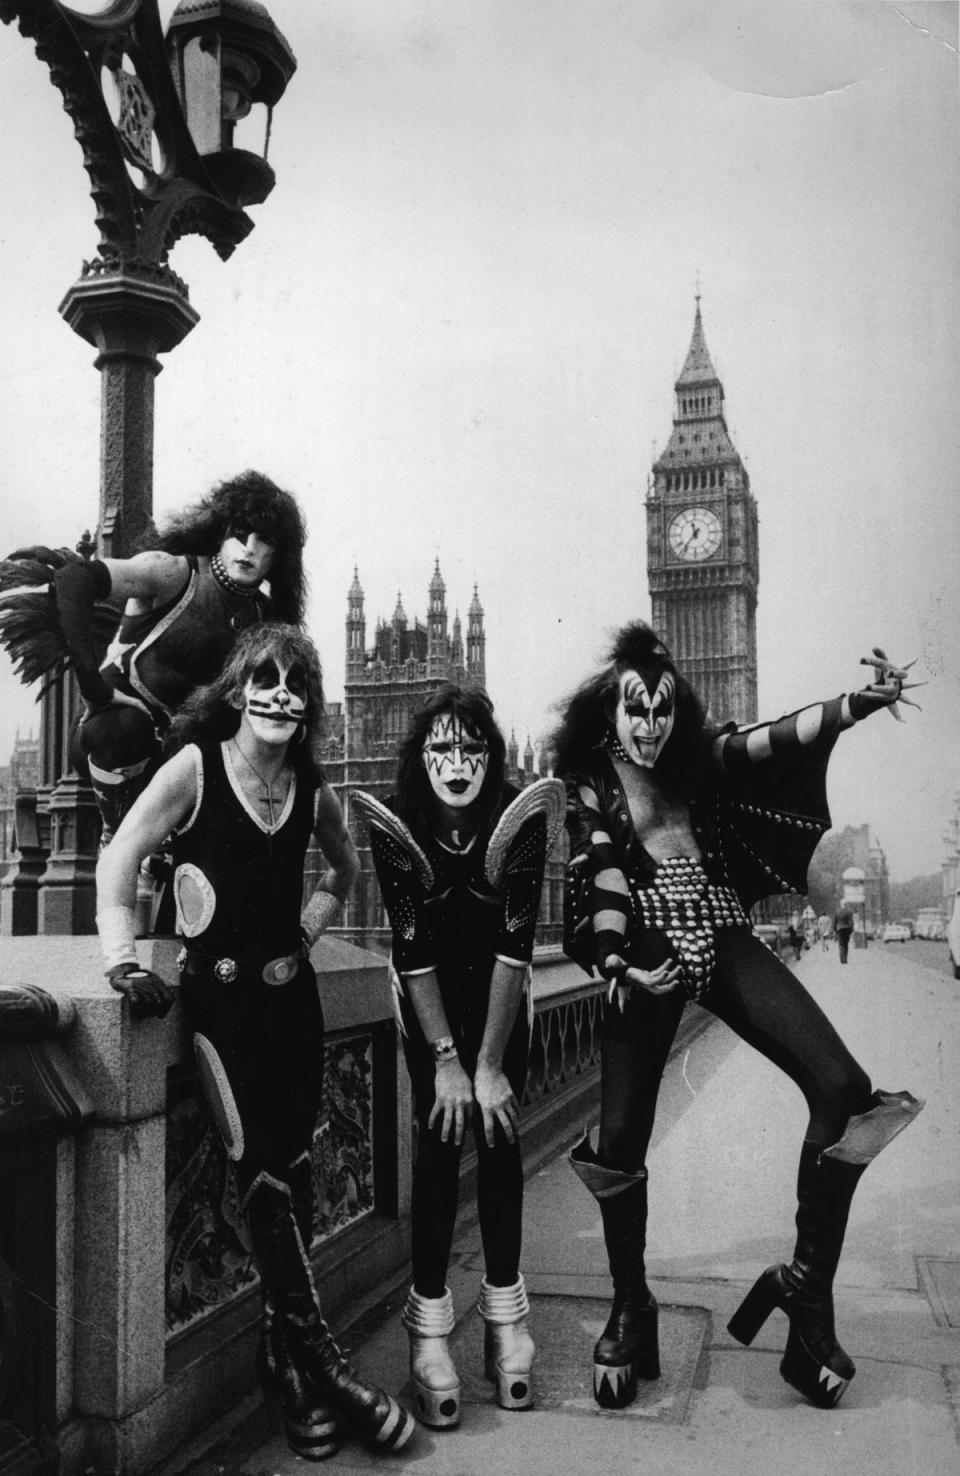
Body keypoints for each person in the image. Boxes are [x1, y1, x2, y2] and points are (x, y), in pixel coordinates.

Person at [552, 622, 922, 1412]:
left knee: (844, 1085)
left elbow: (775, 738)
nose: (648, 726)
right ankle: (631, 1304)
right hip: (645, 948)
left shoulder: (699, 759)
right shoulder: (592, 781)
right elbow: (602, 867)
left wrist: (858, 702)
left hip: (720, 927)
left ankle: (805, 1295)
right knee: (620, 1137)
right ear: (608, 713)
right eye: (634, 712)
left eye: (659, 711)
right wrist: (615, 959)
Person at [95, 623, 414, 1460]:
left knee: (298, 1174)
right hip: (222, 1009)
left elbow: (346, 872)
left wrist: (308, 934)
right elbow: (121, 856)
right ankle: (331, 1366)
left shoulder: (312, 786)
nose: (279, 694)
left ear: (309, 703)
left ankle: (284, 1365)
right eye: (263, 680)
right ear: (237, 690)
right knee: (264, 1181)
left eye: (295, 684)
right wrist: (123, 962)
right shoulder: (197, 767)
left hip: (294, 1005)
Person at [353, 686, 563, 1429]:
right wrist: (448, 1061)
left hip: (503, 999)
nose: (457, 762)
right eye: (442, 747)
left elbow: (516, 943)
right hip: (429, 996)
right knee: (441, 1143)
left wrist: (489, 1064)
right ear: (422, 757)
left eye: (471, 747)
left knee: (501, 1141)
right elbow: (410, 951)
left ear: (491, 755)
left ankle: (507, 1320)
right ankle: (429, 1330)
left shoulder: (520, 818)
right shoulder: (397, 823)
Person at [0, 469, 307, 846]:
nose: (249, 548)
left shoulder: (263, 617)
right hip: (116, 738)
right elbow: (73, 579)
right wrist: (94, 688)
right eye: (240, 534)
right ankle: (119, 834)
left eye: (265, 541)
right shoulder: (173, 573)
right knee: (123, 730)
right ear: (220, 531)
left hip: (186, 757)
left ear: (279, 556)